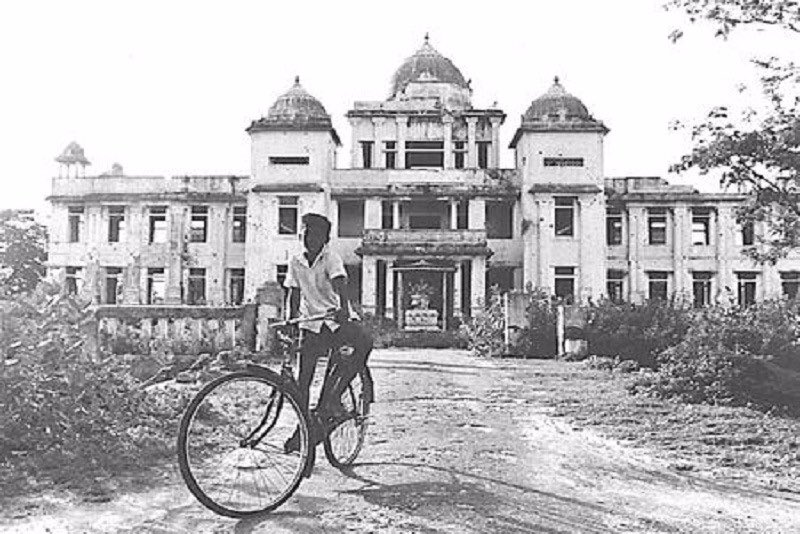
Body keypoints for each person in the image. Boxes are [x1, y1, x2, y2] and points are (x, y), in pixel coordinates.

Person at [282, 213, 373, 453]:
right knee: (303, 381)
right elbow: (293, 292)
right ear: (301, 235)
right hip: (310, 324)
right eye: (306, 234)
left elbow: (340, 284)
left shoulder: (331, 258)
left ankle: (334, 400)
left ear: (325, 239)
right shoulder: (295, 260)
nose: (310, 239)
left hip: (334, 321)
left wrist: (343, 310)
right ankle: (303, 428)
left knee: (362, 344)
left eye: (317, 235)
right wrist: (289, 319)